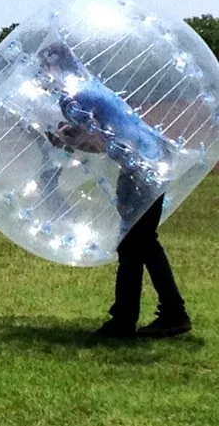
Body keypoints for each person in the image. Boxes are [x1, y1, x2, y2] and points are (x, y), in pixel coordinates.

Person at [40, 39, 191, 339]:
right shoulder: (90, 86)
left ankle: (127, 321)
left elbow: (99, 141)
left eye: (44, 69)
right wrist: (74, 138)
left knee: (133, 245)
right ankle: (170, 314)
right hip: (152, 161)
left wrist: (69, 140)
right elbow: (107, 139)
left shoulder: (73, 99)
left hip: (141, 168)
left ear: (56, 67)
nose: (42, 76)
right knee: (143, 243)